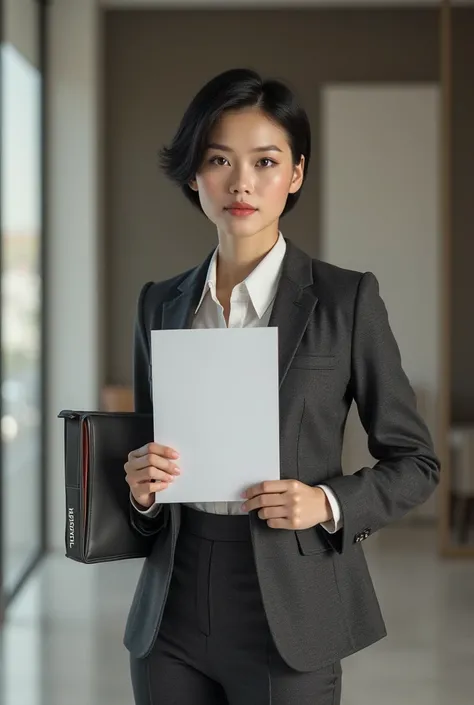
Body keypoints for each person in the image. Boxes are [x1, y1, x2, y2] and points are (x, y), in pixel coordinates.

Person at [123, 68, 440, 705]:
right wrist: (142, 491)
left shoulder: (346, 300)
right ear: (195, 174)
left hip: (291, 608)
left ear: (295, 174)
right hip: (172, 612)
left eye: (265, 161)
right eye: (219, 160)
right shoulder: (159, 304)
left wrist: (326, 504)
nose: (241, 182)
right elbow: (145, 459)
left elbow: (416, 463)